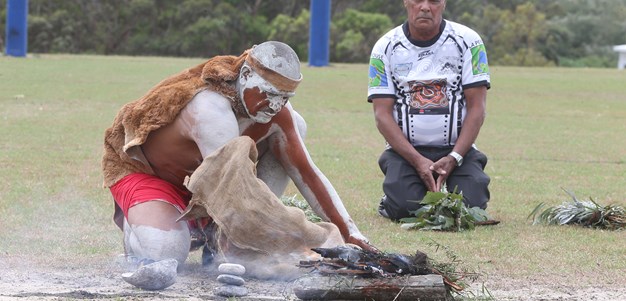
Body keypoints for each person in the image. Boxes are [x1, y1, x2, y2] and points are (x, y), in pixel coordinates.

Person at [101, 41, 374, 276]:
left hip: (211, 187)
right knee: (166, 251)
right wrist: (301, 240)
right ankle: (138, 233)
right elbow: (233, 189)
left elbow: (307, 173)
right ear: (245, 75)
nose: (275, 105)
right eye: (269, 94)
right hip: (155, 179)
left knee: (295, 127)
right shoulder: (210, 109)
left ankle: (229, 242)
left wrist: (350, 233)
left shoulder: (277, 111)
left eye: (285, 97)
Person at [368, 0, 491, 221]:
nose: (425, 7)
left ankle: (454, 180)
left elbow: (477, 108)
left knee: (470, 208)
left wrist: (454, 156)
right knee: (406, 209)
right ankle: (392, 200)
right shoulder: (384, 47)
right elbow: (382, 115)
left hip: (457, 150)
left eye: (434, 1)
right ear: (406, 2)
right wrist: (417, 160)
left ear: (443, 3)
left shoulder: (469, 42)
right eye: (418, 0)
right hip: (405, 153)